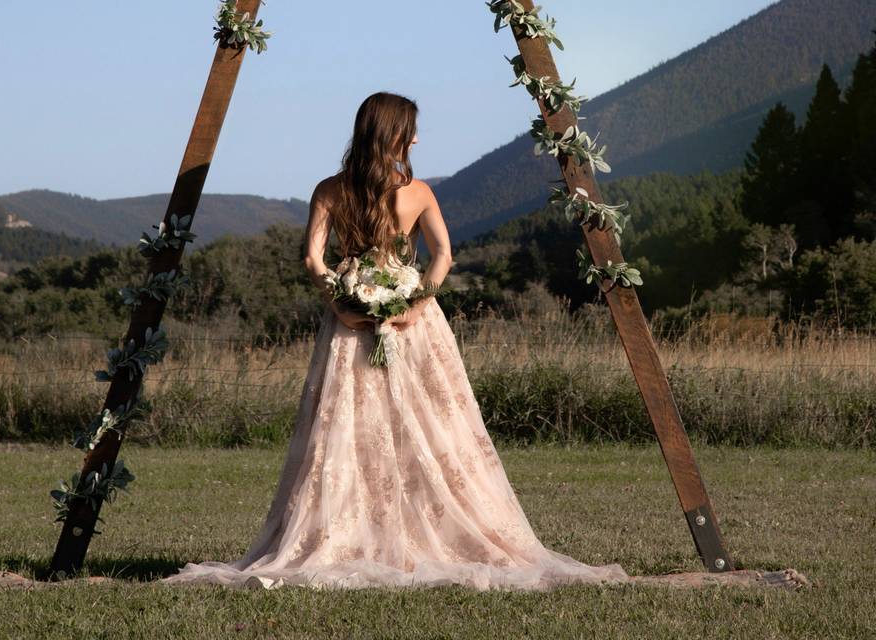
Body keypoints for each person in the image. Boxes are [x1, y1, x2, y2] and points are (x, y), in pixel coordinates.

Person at [160, 91, 629, 591]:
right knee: (434, 423)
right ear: (393, 136)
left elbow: (312, 260)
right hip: (415, 326)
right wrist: (416, 305)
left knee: (347, 427)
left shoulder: (329, 190)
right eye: (412, 130)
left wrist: (340, 302)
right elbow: (444, 254)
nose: (418, 139)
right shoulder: (419, 191)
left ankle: (354, 529)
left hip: (349, 326)